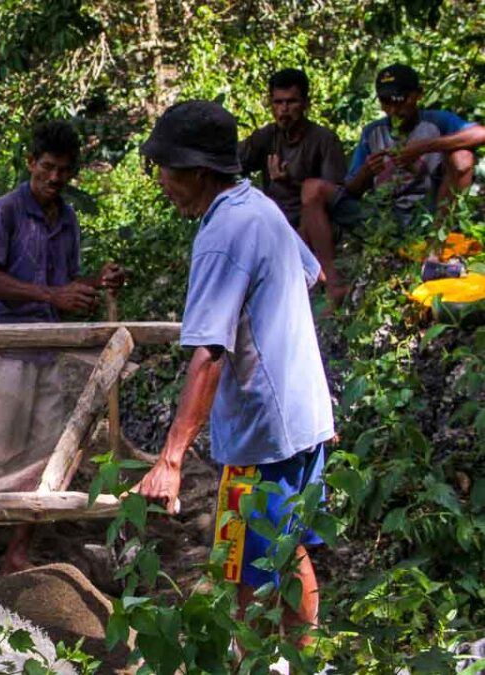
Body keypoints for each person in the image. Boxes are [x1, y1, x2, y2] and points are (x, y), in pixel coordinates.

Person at [136, 101, 334, 650]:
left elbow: (209, 355)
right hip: (305, 418)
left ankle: (257, 665)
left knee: (245, 574)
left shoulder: (222, 235)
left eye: (166, 169)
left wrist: (170, 461)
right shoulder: (261, 206)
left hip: (263, 437)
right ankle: (306, 659)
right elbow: (310, 275)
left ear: (197, 172)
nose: (162, 181)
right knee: (288, 547)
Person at [0, 120, 123, 583]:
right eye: (47, 168)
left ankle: (18, 551)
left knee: (45, 451)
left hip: (46, 347)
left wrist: (98, 282)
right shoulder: (6, 211)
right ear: (31, 163)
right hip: (1, 343)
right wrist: (54, 298)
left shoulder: (67, 219)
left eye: (64, 171)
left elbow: (64, 287)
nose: (55, 179)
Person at [239, 68, 352, 306]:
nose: (284, 109)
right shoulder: (268, 137)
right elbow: (233, 162)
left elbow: (336, 195)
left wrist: (291, 182)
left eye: (291, 102)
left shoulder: (324, 139)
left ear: (305, 104)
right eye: (278, 102)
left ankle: (331, 284)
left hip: (314, 224)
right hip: (276, 222)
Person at [346, 63, 485, 228]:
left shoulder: (436, 122)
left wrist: (424, 146)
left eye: (399, 100)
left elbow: (480, 133)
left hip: (429, 212)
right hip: (385, 217)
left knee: (462, 157)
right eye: (385, 101)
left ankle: (438, 238)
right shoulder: (372, 133)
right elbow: (351, 190)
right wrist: (365, 173)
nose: (393, 109)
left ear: (418, 95)